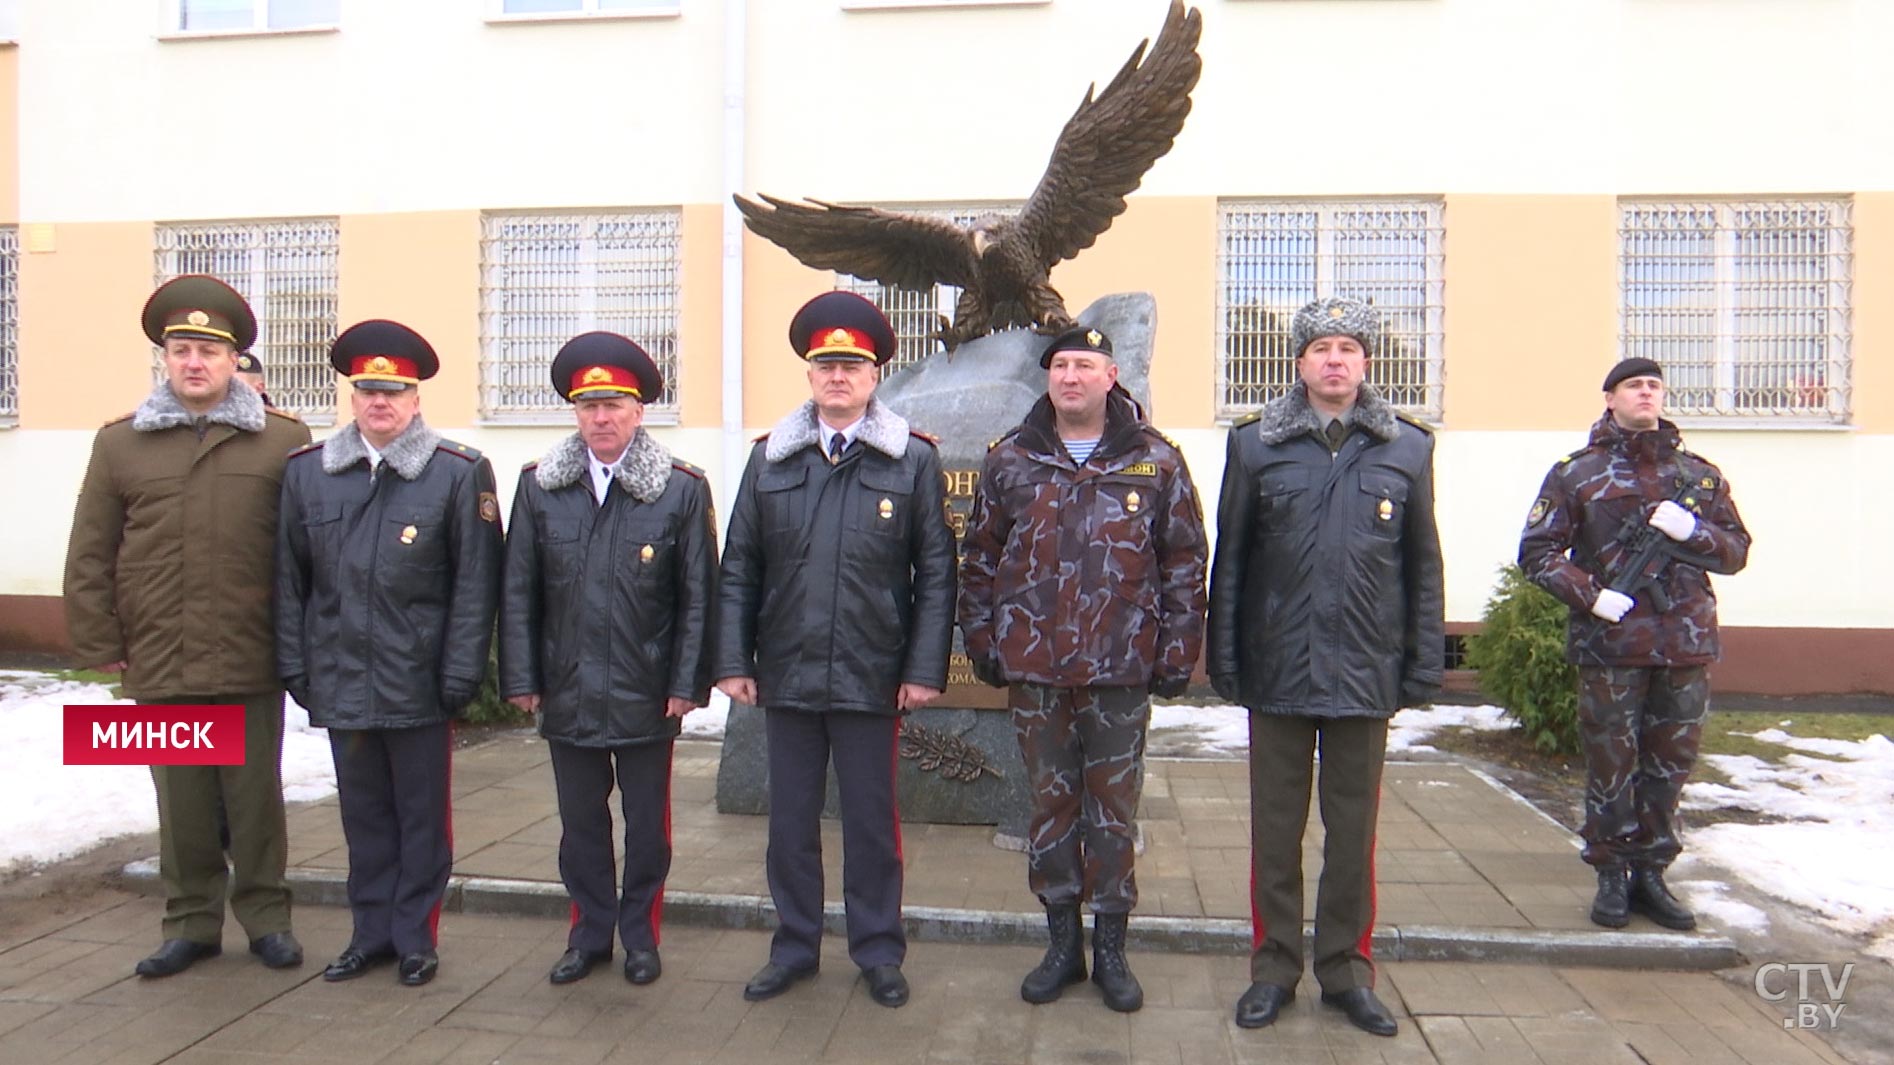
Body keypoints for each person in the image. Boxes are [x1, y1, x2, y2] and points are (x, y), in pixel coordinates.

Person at [712, 291, 957, 1009]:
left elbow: (936, 573)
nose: (838, 376)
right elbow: (740, 568)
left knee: (872, 825)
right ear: (810, 374)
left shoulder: (911, 461)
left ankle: (878, 949)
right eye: (826, 364)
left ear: (875, 372)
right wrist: (732, 659)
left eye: (851, 364)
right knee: (788, 825)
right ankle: (794, 945)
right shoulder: (770, 460)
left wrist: (920, 669)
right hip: (785, 674)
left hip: (871, 674)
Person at [1206, 296, 1443, 1036]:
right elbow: (1233, 559)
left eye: (1347, 347)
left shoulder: (1407, 447)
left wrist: (1421, 661)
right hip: (1276, 669)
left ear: (1365, 361)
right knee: (1274, 834)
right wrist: (1225, 658)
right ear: (1299, 363)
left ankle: (1346, 970)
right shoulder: (1254, 447)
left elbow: (1423, 565)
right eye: (1320, 348)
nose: (1334, 359)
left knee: (1353, 833)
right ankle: (1274, 967)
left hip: (1365, 672)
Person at [64, 275, 311, 978]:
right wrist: (100, 645)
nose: (194, 361)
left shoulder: (283, 440)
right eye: (180, 348)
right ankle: (190, 921)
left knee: (254, 798)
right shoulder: (120, 445)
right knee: (181, 801)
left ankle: (267, 918)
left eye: (208, 348)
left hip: (249, 649)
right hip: (160, 654)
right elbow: (90, 549)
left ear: (235, 360)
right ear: (164, 358)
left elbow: (306, 554)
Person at [958, 325, 1207, 1013]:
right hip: (1037, 670)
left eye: (1085, 365)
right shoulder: (1011, 457)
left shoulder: (1154, 460)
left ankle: (1114, 949)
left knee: (1114, 813)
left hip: (1121, 668)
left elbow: (1184, 560)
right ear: (1049, 378)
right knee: (1050, 807)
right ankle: (1062, 944)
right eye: (1060, 365)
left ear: (1111, 375)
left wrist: (1179, 650)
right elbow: (980, 555)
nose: (1071, 377)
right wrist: (982, 636)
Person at [275, 319, 503, 988]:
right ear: (352, 397)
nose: (381, 402)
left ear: (416, 399)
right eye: (369, 389)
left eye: (395, 390)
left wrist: (462, 669)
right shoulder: (309, 474)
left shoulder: (457, 473)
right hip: (341, 675)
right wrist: (297, 664)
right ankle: (368, 932)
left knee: (421, 821)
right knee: (364, 817)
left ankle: (415, 937)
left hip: (419, 679)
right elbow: (288, 580)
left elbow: (475, 584)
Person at [499, 332, 718, 987]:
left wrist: (687, 684)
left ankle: (640, 937)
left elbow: (697, 598)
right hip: (567, 690)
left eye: (615, 403)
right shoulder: (539, 487)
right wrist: (521, 677)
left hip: (647, 692)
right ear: (574, 410)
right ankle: (590, 934)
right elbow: (518, 590)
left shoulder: (679, 490)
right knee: (581, 828)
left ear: (639, 410)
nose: (602, 416)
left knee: (647, 830)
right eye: (589, 403)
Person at [1518, 358, 1749, 932]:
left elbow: (1737, 551)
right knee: (1611, 764)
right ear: (1610, 397)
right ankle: (1610, 874)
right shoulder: (1578, 474)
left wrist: (1691, 530)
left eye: (1654, 385)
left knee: (1670, 766)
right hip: (1612, 646)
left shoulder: (1699, 477)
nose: (1646, 392)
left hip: (1685, 643)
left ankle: (1652, 873)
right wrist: (1590, 595)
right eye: (1633, 385)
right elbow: (1537, 553)